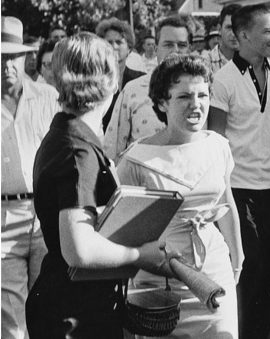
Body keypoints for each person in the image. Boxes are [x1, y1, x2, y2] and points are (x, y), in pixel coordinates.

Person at [25, 32, 173, 339]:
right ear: (113, 80)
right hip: (75, 314)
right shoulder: (77, 150)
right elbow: (79, 249)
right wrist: (140, 255)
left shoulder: (67, 136)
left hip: (71, 303)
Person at [117, 54, 244, 339]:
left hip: (213, 271)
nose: (196, 103)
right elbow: (122, 230)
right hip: (159, 280)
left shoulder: (218, 146)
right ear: (162, 103)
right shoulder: (136, 159)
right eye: (184, 96)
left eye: (202, 94)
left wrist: (236, 259)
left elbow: (227, 203)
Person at [208, 4, 270, 338]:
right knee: (249, 269)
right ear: (243, 35)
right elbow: (216, 140)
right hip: (236, 190)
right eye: (267, 31)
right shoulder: (223, 80)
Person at [1, 16, 60, 339]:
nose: (6, 65)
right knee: (11, 323)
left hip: (44, 215)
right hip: (2, 219)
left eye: (12, 56)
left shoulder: (47, 97)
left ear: (25, 56)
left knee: (48, 309)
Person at [104, 16, 192, 162]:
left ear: (189, 48)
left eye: (182, 45)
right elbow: (112, 148)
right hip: (142, 181)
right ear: (156, 49)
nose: (176, 51)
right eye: (168, 45)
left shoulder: (203, 92)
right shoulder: (133, 89)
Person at [96, 17, 146, 131]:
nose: (113, 47)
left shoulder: (141, 80)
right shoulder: (95, 82)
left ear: (129, 48)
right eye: (109, 42)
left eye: (119, 42)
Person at [205, 4, 242, 74]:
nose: (233, 34)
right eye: (229, 27)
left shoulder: (256, 62)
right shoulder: (205, 63)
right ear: (219, 29)